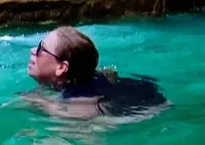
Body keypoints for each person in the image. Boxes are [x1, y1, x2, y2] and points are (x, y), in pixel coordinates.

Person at [22, 26, 168, 120]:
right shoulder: (84, 78)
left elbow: (87, 126)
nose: (33, 50)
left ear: (62, 68)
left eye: (42, 47)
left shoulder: (82, 101)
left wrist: (42, 103)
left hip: (152, 107)